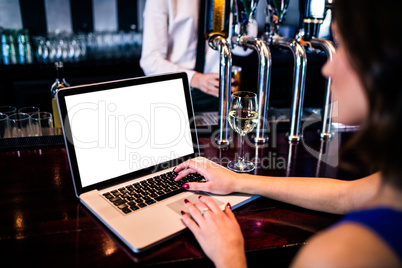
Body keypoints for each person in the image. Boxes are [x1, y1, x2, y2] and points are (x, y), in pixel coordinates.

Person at [173, 0, 402, 267]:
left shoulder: (341, 254)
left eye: (343, 46)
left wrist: (229, 254)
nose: (327, 68)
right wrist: (237, 181)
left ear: (387, 62)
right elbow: (347, 196)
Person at [140, 0, 220, 112]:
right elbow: (150, 61)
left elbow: (243, 50)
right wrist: (195, 79)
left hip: (217, 94)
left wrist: (246, 12)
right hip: (177, 92)